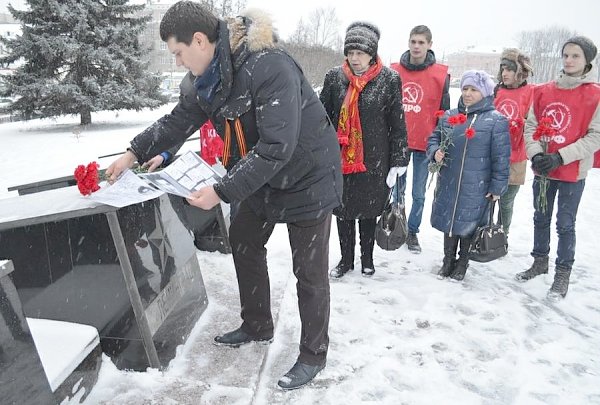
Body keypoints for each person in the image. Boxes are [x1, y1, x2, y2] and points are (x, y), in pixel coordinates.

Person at [105, 1, 342, 390]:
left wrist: (221, 191)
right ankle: (257, 323)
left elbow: (277, 147)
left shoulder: (269, 65)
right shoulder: (208, 79)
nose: (178, 62)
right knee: (244, 240)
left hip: (307, 177)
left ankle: (314, 354)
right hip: (260, 175)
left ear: (200, 41)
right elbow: (177, 122)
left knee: (309, 271)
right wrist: (134, 151)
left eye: (178, 53)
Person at [320, 21, 409, 278]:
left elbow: (397, 121)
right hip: (340, 159)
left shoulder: (389, 79)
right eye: (351, 52)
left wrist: (398, 160)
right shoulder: (334, 78)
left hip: (374, 160)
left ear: (372, 55)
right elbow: (322, 118)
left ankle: (367, 259)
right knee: (343, 212)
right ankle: (345, 260)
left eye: (360, 53)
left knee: (369, 212)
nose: (355, 58)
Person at [516, 36, 600, 299]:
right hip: (543, 167)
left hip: (571, 171)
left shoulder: (595, 94)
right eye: (566, 55)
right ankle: (540, 261)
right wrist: (536, 153)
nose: (569, 60)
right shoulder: (543, 91)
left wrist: (560, 157)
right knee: (540, 217)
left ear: (587, 60)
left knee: (565, 223)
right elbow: (530, 126)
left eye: (575, 56)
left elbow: (595, 136)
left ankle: (563, 271)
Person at [427, 70, 510, 281]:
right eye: (465, 88)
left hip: (476, 184)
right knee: (450, 220)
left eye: (474, 89)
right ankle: (447, 260)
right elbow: (434, 138)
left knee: (469, 223)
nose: (468, 93)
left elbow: (501, 157)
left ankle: (462, 262)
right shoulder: (450, 116)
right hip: (449, 180)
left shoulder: (495, 120)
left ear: (485, 93)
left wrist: (497, 186)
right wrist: (435, 151)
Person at [390, 25, 450, 254]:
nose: (416, 46)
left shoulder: (440, 75)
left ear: (429, 45)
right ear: (408, 42)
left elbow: (444, 112)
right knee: (397, 190)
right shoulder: (394, 71)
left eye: (421, 42)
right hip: (399, 142)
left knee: (419, 193)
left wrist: (441, 144)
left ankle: (412, 231)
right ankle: (397, 225)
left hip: (426, 144)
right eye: (413, 41)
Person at [493, 48, 535, 235]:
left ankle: (502, 235)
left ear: (519, 71)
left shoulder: (530, 92)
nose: (505, 73)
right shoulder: (496, 91)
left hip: (516, 155)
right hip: (493, 153)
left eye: (509, 69)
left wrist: (522, 123)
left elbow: (535, 122)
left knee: (506, 201)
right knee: (487, 199)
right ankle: (484, 234)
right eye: (503, 69)